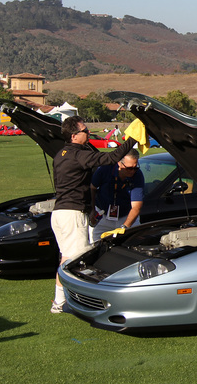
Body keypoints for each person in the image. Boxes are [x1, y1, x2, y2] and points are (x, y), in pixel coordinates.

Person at [50, 115, 137, 314]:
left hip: (59, 213)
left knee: (66, 259)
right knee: (78, 260)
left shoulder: (61, 154)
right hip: (71, 214)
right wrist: (132, 139)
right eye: (84, 130)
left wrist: (89, 210)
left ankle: (59, 301)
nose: (88, 132)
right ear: (74, 136)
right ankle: (74, 303)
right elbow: (110, 159)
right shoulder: (77, 155)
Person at [88, 149, 145, 244]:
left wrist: (125, 227)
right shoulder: (104, 169)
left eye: (135, 167)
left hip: (126, 217)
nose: (132, 171)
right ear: (120, 163)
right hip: (103, 216)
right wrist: (92, 209)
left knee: (133, 245)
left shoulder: (138, 175)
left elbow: (136, 207)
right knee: (96, 245)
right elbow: (92, 188)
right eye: (129, 168)